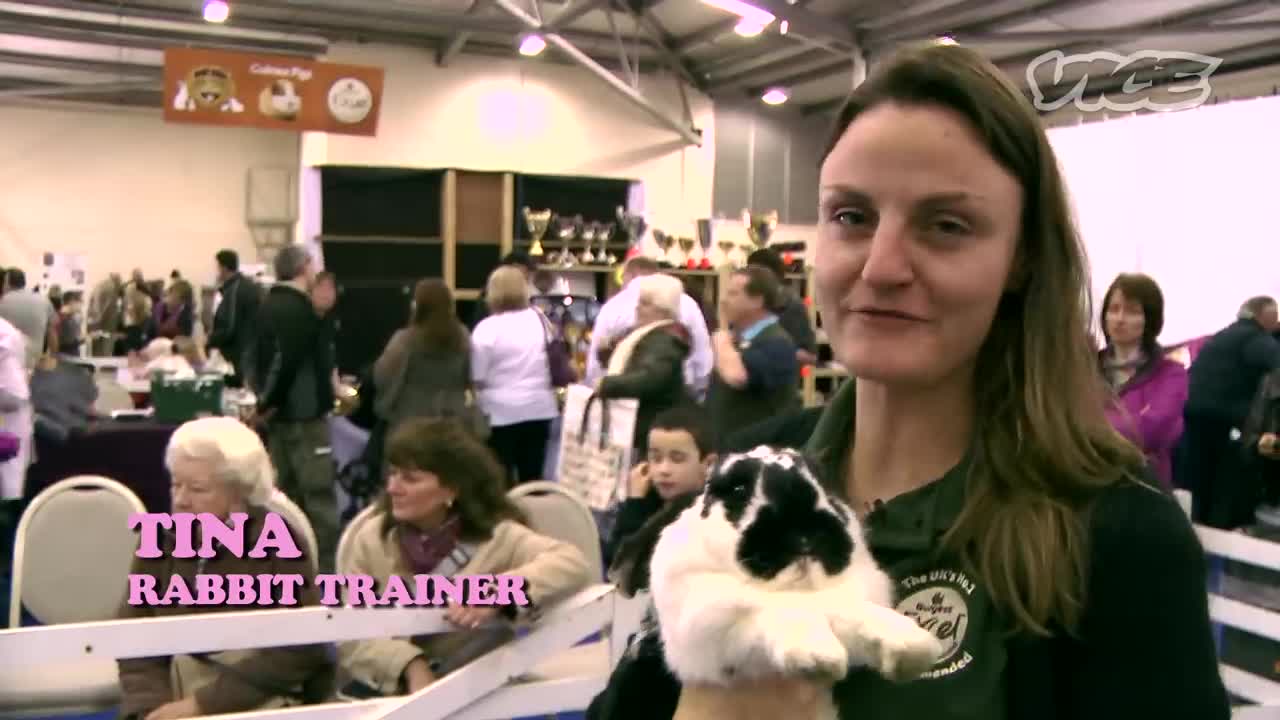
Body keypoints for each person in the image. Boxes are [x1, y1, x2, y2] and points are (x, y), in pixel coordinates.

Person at [587, 41, 1228, 720]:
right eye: (851, 217)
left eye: (946, 225)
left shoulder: (1120, 534)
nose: (881, 267)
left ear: (1021, 259)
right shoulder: (756, 468)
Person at [337, 417, 591, 696]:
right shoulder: (371, 538)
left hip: (476, 690)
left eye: (410, 479)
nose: (392, 488)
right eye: (393, 474)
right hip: (390, 690)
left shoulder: (498, 537)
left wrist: (498, 592)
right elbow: (351, 633)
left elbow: (571, 562)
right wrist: (408, 664)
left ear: (452, 489)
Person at [117, 417, 333, 720]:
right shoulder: (159, 539)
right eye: (175, 484)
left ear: (238, 493)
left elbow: (301, 649)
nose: (181, 500)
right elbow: (134, 636)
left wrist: (201, 706)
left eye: (197, 489)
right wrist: (150, 709)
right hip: (172, 696)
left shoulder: (278, 540)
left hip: (255, 701)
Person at [252, 244, 339, 574]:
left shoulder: (267, 305)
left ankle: (287, 572)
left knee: (284, 498)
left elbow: (256, 360)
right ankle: (325, 576)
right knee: (319, 501)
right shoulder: (298, 309)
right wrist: (269, 402)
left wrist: (264, 402)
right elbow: (285, 361)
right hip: (304, 416)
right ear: (303, 267)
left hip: (280, 417)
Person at [1183, 296, 1280, 528]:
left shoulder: (1222, 336)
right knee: (1227, 480)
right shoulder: (1255, 337)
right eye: (1275, 316)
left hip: (1192, 415)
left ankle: (1200, 527)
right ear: (1262, 316)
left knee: (1199, 484)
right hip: (1224, 419)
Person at [1097, 273, 1187, 489]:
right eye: (1114, 309)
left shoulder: (1170, 374)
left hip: (1141, 487)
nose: (1120, 318)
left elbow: (1152, 432)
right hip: (1088, 482)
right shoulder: (1085, 367)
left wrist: (1088, 426)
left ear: (1150, 319)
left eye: (1132, 311)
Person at [471, 266, 558, 485]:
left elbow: (476, 375)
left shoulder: (486, 329)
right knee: (533, 478)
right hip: (539, 408)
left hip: (499, 414)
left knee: (499, 478)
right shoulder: (541, 320)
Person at [585, 256, 714, 400]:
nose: (637, 309)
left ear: (629, 275)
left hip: (624, 395)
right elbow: (703, 358)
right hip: (680, 392)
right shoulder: (688, 303)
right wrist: (697, 390)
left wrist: (601, 386)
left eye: (644, 304)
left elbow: (594, 366)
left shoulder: (612, 306)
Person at [595, 274, 695, 455]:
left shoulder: (664, 341)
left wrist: (607, 384)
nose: (637, 308)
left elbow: (650, 378)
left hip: (651, 426)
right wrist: (607, 352)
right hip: (643, 425)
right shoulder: (644, 335)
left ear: (663, 310)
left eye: (645, 304)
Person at [602, 407, 715, 568]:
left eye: (677, 459)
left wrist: (635, 505)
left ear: (709, 464)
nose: (664, 470)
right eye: (656, 458)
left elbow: (639, 566)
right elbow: (615, 562)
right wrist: (635, 501)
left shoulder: (712, 514)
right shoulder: (648, 498)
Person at [705, 265, 799, 449]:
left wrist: (721, 339)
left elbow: (736, 376)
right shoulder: (737, 339)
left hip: (756, 452)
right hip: (727, 448)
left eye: (733, 294)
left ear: (757, 300)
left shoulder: (777, 342)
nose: (724, 300)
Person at [373, 279, 476, 436]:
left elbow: (383, 376)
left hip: (411, 421)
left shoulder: (405, 339)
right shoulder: (463, 336)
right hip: (453, 420)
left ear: (418, 306)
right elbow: (471, 374)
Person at [747, 248, 818, 366]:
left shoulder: (793, 306)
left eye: (753, 275)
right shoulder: (750, 302)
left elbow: (810, 357)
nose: (748, 280)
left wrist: (773, 349)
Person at [207, 249, 262, 387]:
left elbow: (229, 326)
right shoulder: (249, 286)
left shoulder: (233, 291)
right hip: (251, 354)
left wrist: (210, 341)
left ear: (224, 268)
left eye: (217, 267)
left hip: (236, 355)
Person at [0, 268, 57, 370]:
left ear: (6, 282)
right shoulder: (43, 300)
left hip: (7, 363)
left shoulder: (2, 301)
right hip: (33, 362)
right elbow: (52, 332)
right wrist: (53, 357)